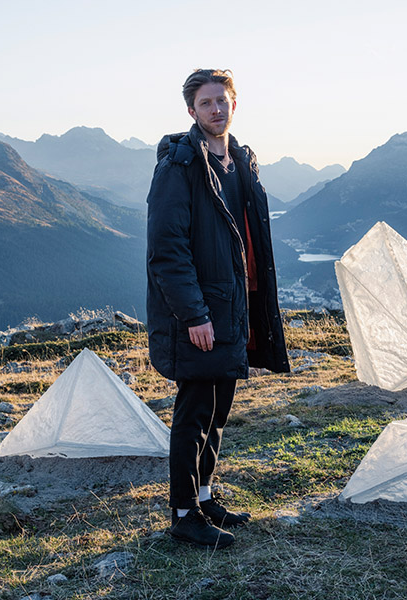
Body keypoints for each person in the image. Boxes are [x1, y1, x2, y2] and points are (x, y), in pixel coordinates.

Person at [146, 69, 289, 548]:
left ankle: (205, 498)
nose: (216, 109)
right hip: (202, 313)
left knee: (219, 411)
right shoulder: (180, 166)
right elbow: (167, 251)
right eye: (206, 103)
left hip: (234, 306)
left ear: (234, 104)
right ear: (192, 111)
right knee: (194, 412)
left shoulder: (240, 162)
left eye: (222, 100)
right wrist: (194, 315)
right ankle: (183, 513)